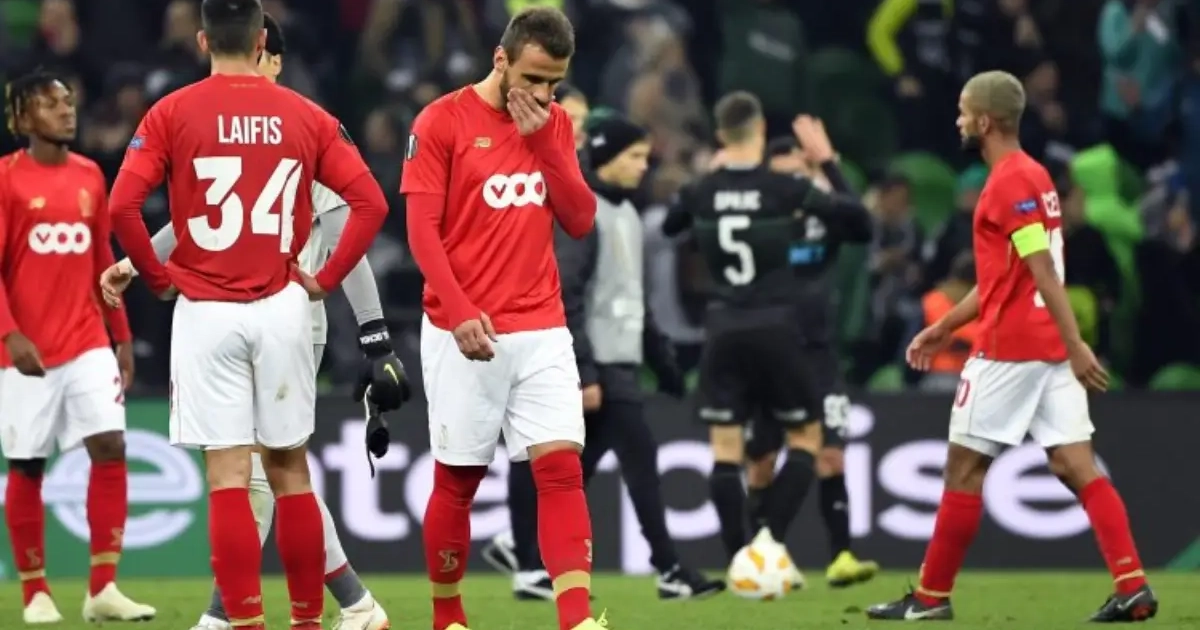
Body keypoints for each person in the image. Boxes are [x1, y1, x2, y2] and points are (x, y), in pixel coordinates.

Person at [103, 13, 403, 630]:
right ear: (261, 42)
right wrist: (324, 281)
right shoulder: (306, 117)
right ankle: (313, 618)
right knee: (289, 472)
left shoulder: (173, 111)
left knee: (230, 477)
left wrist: (154, 277)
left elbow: (123, 205)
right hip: (284, 305)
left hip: (207, 310)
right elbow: (370, 203)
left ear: (203, 40)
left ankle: (238, 620)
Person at [867, 70, 1157, 623]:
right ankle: (1132, 586)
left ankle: (930, 597)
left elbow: (1041, 269)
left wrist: (1078, 344)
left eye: (963, 111)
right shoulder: (1035, 176)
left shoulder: (1006, 184)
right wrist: (946, 325)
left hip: (1012, 348)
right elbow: (1006, 276)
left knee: (963, 470)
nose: (957, 120)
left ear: (985, 121)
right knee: (1076, 465)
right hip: (1046, 348)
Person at [400, 7, 603, 630]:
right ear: (500, 59)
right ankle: (448, 618)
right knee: (458, 480)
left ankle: (575, 620)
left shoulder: (554, 124)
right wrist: (459, 310)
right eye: (533, 78)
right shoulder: (441, 121)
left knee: (561, 472)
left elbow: (580, 218)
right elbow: (421, 230)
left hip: (542, 326)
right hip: (464, 331)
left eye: (554, 83)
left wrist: (545, 143)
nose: (542, 94)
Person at [483, 115, 723, 601]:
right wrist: (586, 372)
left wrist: (663, 364)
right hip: (597, 365)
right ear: (608, 157)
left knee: (572, 466)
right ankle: (669, 567)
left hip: (618, 361)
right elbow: (566, 295)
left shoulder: (626, 213)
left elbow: (633, 298)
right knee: (639, 459)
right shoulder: (583, 213)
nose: (643, 165)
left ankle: (524, 546)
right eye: (634, 156)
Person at [660, 91, 871, 568]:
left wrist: (707, 183)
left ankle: (740, 555)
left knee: (725, 452)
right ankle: (766, 544)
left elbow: (674, 226)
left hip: (722, 329)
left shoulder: (703, 190)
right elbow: (859, 223)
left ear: (720, 136)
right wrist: (828, 164)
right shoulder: (783, 189)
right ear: (758, 131)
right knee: (805, 440)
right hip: (777, 328)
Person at [0, 69, 156, 625]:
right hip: (26, 351)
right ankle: (36, 591)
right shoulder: (6, 180)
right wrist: (8, 333)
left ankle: (103, 587)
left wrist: (122, 335)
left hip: (89, 339)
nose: (66, 111)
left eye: (67, 101)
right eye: (50, 104)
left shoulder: (91, 174)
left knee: (111, 446)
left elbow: (100, 261)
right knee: (27, 463)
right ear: (22, 117)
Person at [743, 118, 878, 588]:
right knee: (762, 463)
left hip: (818, 356)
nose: (791, 187)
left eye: (799, 176)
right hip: (765, 356)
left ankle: (841, 556)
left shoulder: (824, 216)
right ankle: (764, 556)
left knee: (831, 456)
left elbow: (864, 225)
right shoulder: (754, 220)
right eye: (782, 177)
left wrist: (830, 166)